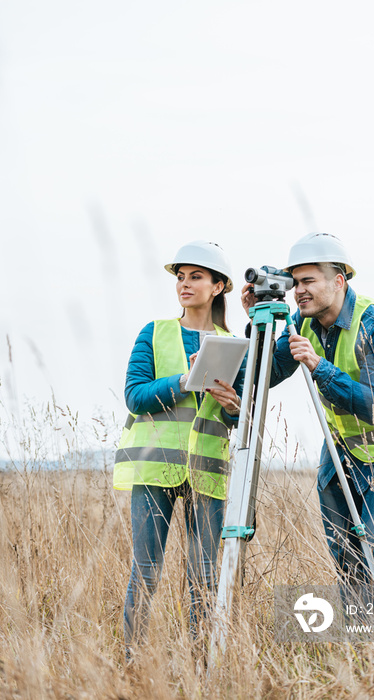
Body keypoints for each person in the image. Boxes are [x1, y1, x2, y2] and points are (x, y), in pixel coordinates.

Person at [242, 233, 374, 597]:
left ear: (338, 281)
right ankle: (358, 649)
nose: (299, 291)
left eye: (308, 281)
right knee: (345, 555)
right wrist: (258, 324)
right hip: (341, 452)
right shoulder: (305, 321)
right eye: (296, 283)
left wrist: (318, 365)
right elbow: (267, 374)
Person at [114, 240, 245, 656]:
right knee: (146, 572)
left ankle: (200, 663)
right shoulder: (154, 333)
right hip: (153, 469)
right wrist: (182, 382)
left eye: (196, 277)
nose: (184, 285)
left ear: (218, 286)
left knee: (203, 578)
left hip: (206, 473)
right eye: (181, 277)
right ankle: (131, 662)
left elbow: (237, 416)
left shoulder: (233, 343)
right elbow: (134, 396)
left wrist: (232, 407)